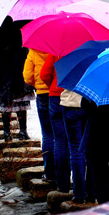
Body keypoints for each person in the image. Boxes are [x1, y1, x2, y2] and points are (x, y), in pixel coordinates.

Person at [40, 55, 71, 195]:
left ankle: (61, 183)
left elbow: (44, 74)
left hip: (54, 95)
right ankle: (78, 186)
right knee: (75, 143)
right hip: (74, 97)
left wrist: (53, 86)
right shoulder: (84, 49)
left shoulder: (56, 51)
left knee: (59, 141)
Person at [23, 48, 55, 183]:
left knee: (47, 134)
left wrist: (37, 84)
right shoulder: (57, 49)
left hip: (42, 94)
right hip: (57, 93)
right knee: (60, 137)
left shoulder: (34, 51)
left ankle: (49, 173)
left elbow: (27, 76)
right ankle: (64, 174)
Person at [61, 87, 96, 205]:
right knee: (91, 150)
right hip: (92, 104)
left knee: (75, 150)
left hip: (71, 103)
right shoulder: (95, 67)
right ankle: (92, 193)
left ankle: (79, 194)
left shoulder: (70, 67)